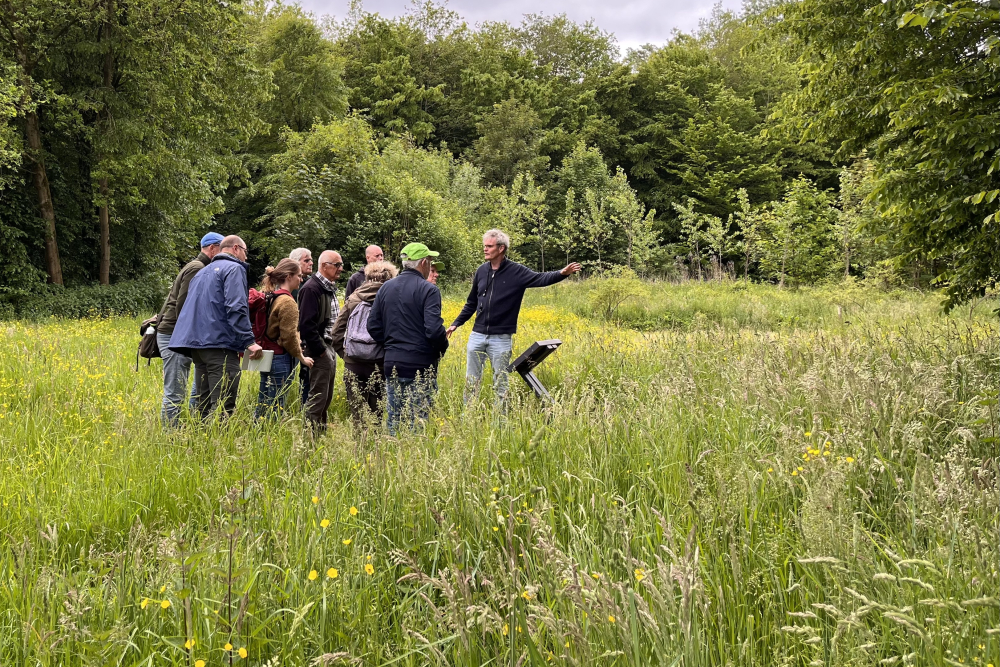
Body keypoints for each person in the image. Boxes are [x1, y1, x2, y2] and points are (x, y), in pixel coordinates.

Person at [446, 229, 581, 401]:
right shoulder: (481, 271)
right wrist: (456, 323)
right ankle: (469, 417)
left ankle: (500, 423)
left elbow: (541, 278)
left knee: (500, 383)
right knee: (471, 381)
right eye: (484, 246)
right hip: (477, 335)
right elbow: (472, 302)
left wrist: (562, 274)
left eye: (489, 246)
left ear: (501, 248)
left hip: (501, 338)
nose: (485, 249)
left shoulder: (517, 272)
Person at [169, 235, 263, 418]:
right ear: (236, 248)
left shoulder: (203, 271)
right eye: (245, 252)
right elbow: (236, 307)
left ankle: (199, 442)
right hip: (220, 345)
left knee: (202, 404)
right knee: (222, 406)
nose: (246, 257)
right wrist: (249, 341)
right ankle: (218, 444)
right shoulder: (234, 269)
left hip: (197, 346)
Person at [367, 243, 449, 435]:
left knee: (395, 419)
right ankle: (417, 461)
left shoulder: (386, 287)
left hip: (392, 362)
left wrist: (390, 344)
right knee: (418, 423)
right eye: (429, 261)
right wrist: (441, 348)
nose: (430, 266)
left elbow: (372, 326)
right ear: (423, 262)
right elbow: (434, 330)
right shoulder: (429, 290)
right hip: (421, 364)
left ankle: (394, 459)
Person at [154, 232, 223, 425]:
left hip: (183, 335)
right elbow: (184, 305)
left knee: (196, 386)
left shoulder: (201, 267)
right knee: (175, 392)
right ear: (212, 248)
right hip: (174, 335)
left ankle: (194, 427)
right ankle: (170, 438)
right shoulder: (197, 268)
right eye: (222, 248)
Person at [331, 260, 397, 425]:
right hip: (380, 364)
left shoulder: (354, 298)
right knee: (377, 415)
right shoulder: (392, 300)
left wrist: (346, 356)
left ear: (367, 278)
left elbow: (336, 332)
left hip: (354, 364)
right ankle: (375, 448)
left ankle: (357, 448)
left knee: (357, 415)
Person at [253, 259, 314, 419]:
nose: (301, 279)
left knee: (263, 400)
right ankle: (269, 437)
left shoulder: (272, 296)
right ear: (288, 276)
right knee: (276, 404)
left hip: (267, 355)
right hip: (280, 359)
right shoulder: (288, 302)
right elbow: (288, 337)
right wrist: (302, 357)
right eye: (299, 276)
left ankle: (257, 432)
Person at [298, 249, 343, 431]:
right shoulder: (311, 288)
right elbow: (306, 325)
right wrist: (321, 351)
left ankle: (319, 432)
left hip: (327, 346)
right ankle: (310, 435)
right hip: (319, 349)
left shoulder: (327, 287)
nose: (341, 268)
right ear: (324, 266)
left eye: (341, 264)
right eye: (337, 265)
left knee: (326, 395)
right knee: (318, 395)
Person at [288, 247, 314, 405]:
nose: (311, 263)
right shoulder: (290, 287)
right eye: (306, 260)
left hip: (305, 338)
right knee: (287, 376)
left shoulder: (308, 284)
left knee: (306, 374)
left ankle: (304, 408)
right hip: (290, 339)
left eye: (311, 259)